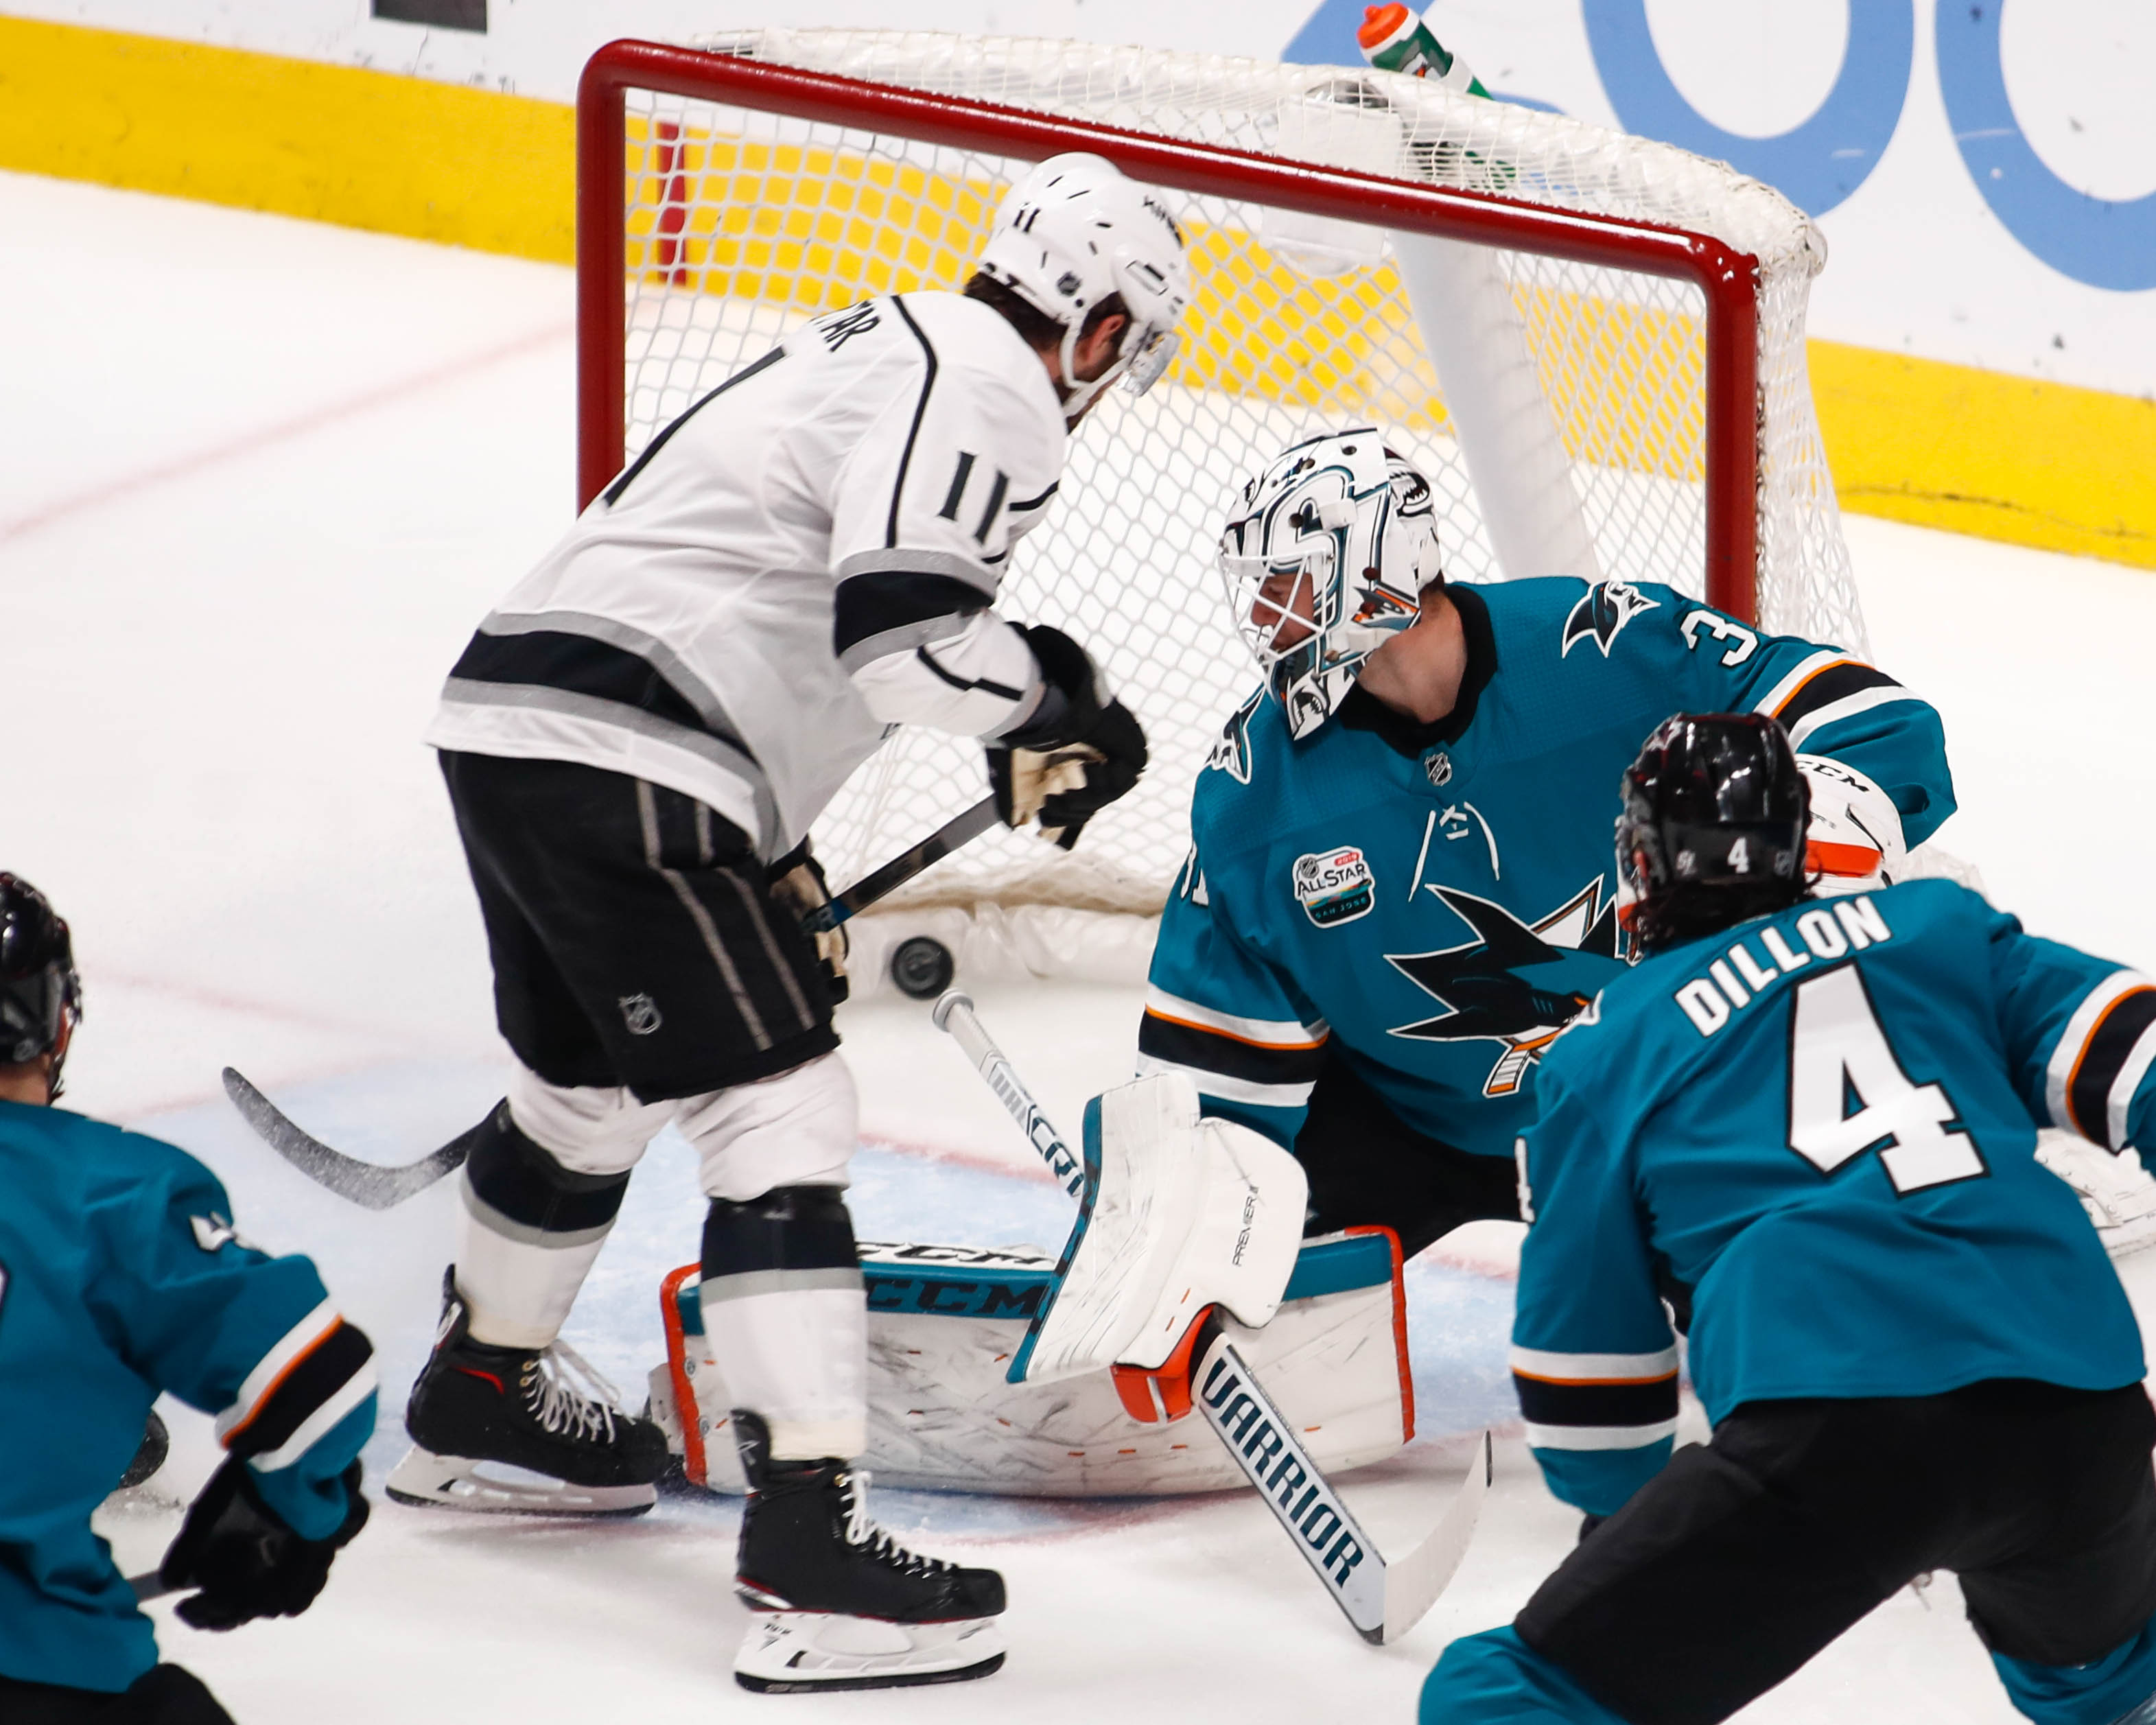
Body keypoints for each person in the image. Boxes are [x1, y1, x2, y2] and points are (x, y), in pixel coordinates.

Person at [401, 152, 1189, 1690]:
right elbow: (899, 636)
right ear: (1098, 327)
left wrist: (763, 854)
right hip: (634, 747)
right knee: (779, 1109)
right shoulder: (995, 385)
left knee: (589, 1092)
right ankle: (811, 1551)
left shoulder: (892, 340)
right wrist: (1055, 698)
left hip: (517, 723)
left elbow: (772, 600)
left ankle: (479, 1397)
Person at [1419, 713, 2156, 1725]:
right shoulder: (1938, 925)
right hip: (2080, 1408)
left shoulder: (1603, 1051)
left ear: (1641, 860)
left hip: (1838, 1432)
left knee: (1505, 1697)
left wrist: (1625, 1527)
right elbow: (2138, 1056)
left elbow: (1588, 1369)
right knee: (2098, 1682)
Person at [1135, 428, 1958, 1260]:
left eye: (1288, 584)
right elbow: (1209, 1080)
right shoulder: (1255, 789)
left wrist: (1813, 848)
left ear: (1377, 568)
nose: (1265, 617)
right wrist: (1184, 1222)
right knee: (1225, 1254)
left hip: (1669, 1106)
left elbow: (1879, 723)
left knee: (1833, 1275)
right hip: (1412, 1133)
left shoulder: (1604, 647)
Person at [0, 874, 375, 1724]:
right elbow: (316, 1387)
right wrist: (284, 1515)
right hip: (39, 1661)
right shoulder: (113, 1193)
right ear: (59, 1024)